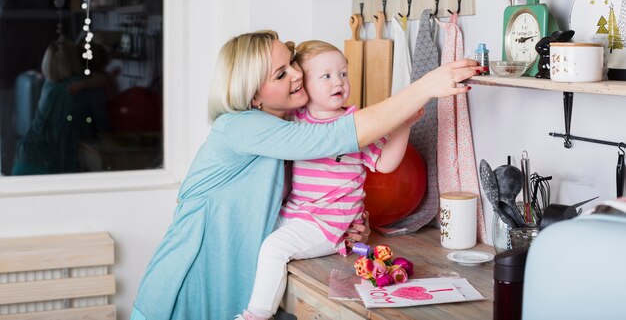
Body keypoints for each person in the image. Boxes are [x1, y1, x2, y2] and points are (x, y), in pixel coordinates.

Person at [130, 30, 482, 320]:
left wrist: (345, 222)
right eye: (281, 74)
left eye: (291, 63)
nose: (296, 75)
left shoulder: (278, 129)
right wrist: (421, 88)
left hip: (227, 282)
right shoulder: (240, 127)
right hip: (187, 282)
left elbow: (299, 192)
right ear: (253, 95)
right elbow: (332, 137)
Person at [240, 40, 424, 320]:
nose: (338, 81)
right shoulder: (296, 119)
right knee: (255, 239)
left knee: (274, 249)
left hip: (327, 222)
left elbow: (386, 164)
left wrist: (403, 126)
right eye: (325, 76)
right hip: (296, 213)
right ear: (303, 86)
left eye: (342, 73)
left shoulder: (357, 125)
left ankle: (256, 315)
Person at [11, 40, 102, 175]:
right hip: (46, 164)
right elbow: (100, 79)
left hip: (25, 158)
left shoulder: (49, 85)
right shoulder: (75, 87)